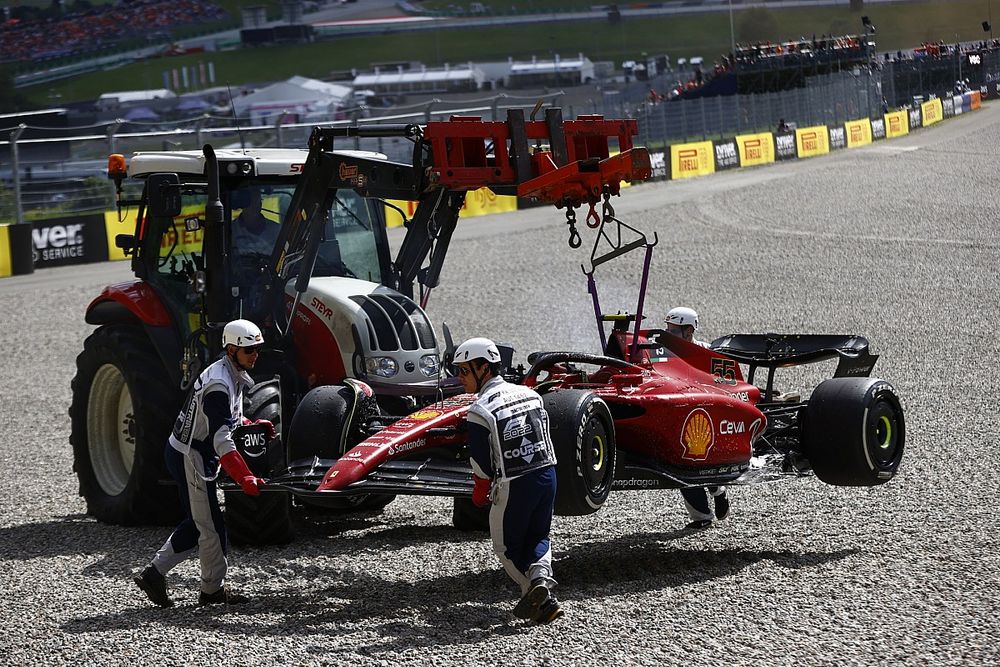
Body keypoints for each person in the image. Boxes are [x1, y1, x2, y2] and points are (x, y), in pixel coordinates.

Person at [133, 319, 274, 607]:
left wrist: (251, 424)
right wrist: (244, 477)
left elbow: (224, 420)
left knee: (200, 524)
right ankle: (211, 591)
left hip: (189, 451)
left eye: (257, 350)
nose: (255, 355)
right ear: (232, 350)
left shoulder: (228, 371)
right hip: (191, 456)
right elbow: (221, 438)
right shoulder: (219, 384)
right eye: (250, 351)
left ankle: (154, 574)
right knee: (210, 528)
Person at [456, 337, 563, 624]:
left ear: (483, 368)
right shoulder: (531, 394)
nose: (460, 378)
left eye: (464, 371)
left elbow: (481, 463)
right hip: (548, 475)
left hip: (515, 484)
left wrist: (480, 491)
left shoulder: (479, 410)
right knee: (539, 536)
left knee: (507, 548)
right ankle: (542, 583)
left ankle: (538, 595)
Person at [663, 307, 731, 530]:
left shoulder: (707, 352)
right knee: (680, 464)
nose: (669, 334)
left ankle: (718, 491)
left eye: (674, 330)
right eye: (668, 329)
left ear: (689, 330)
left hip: (706, 414)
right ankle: (702, 517)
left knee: (705, 460)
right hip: (680, 413)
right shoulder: (663, 353)